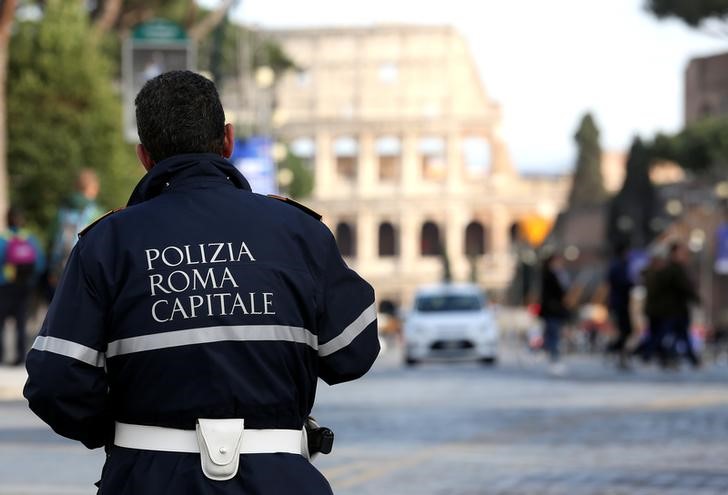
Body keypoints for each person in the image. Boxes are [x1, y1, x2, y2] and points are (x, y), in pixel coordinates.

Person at [24, 70, 380, 494]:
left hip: (146, 480)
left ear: (144, 157)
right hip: (280, 480)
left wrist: (125, 434)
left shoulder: (108, 242)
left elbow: (54, 380)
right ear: (227, 140)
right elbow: (353, 352)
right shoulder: (297, 232)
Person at [46, 168, 103, 299]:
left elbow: (52, 239)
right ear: (92, 188)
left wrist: (52, 270)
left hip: (59, 267)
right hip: (85, 269)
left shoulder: (63, 210)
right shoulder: (96, 212)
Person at [0, 207, 45, 365]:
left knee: (1, 322)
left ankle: (1, 356)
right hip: (24, 285)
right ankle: (20, 357)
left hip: (5, 285)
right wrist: (31, 280)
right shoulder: (30, 239)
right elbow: (40, 264)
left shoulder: (3, 238)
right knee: (21, 322)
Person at [659, 241, 701, 368]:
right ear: (674, 253)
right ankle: (668, 357)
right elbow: (685, 288)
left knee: (679, 334)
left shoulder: (675, 268)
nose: (684, 255)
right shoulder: (674, 269)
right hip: (674, 309)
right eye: (681, 252)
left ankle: (674, 358)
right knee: (673, 334)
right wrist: (695, 298)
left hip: (677, 308)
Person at [539, 253, 570, 375]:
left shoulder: (558, 274)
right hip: (552, 310)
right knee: (553, 335)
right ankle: (553, 360)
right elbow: (557, 292)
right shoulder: (550, 275)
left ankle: (550, 356)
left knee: (552, 335)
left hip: (555, 310)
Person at [606, 244, 634, 369]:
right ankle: (614, 350)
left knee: (625, 330)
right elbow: (622, 283)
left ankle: (617, 351)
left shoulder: (618, 265)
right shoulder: (619, 266)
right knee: (626, 329)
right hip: (620, 302)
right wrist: (632, 283)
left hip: (619, 302)